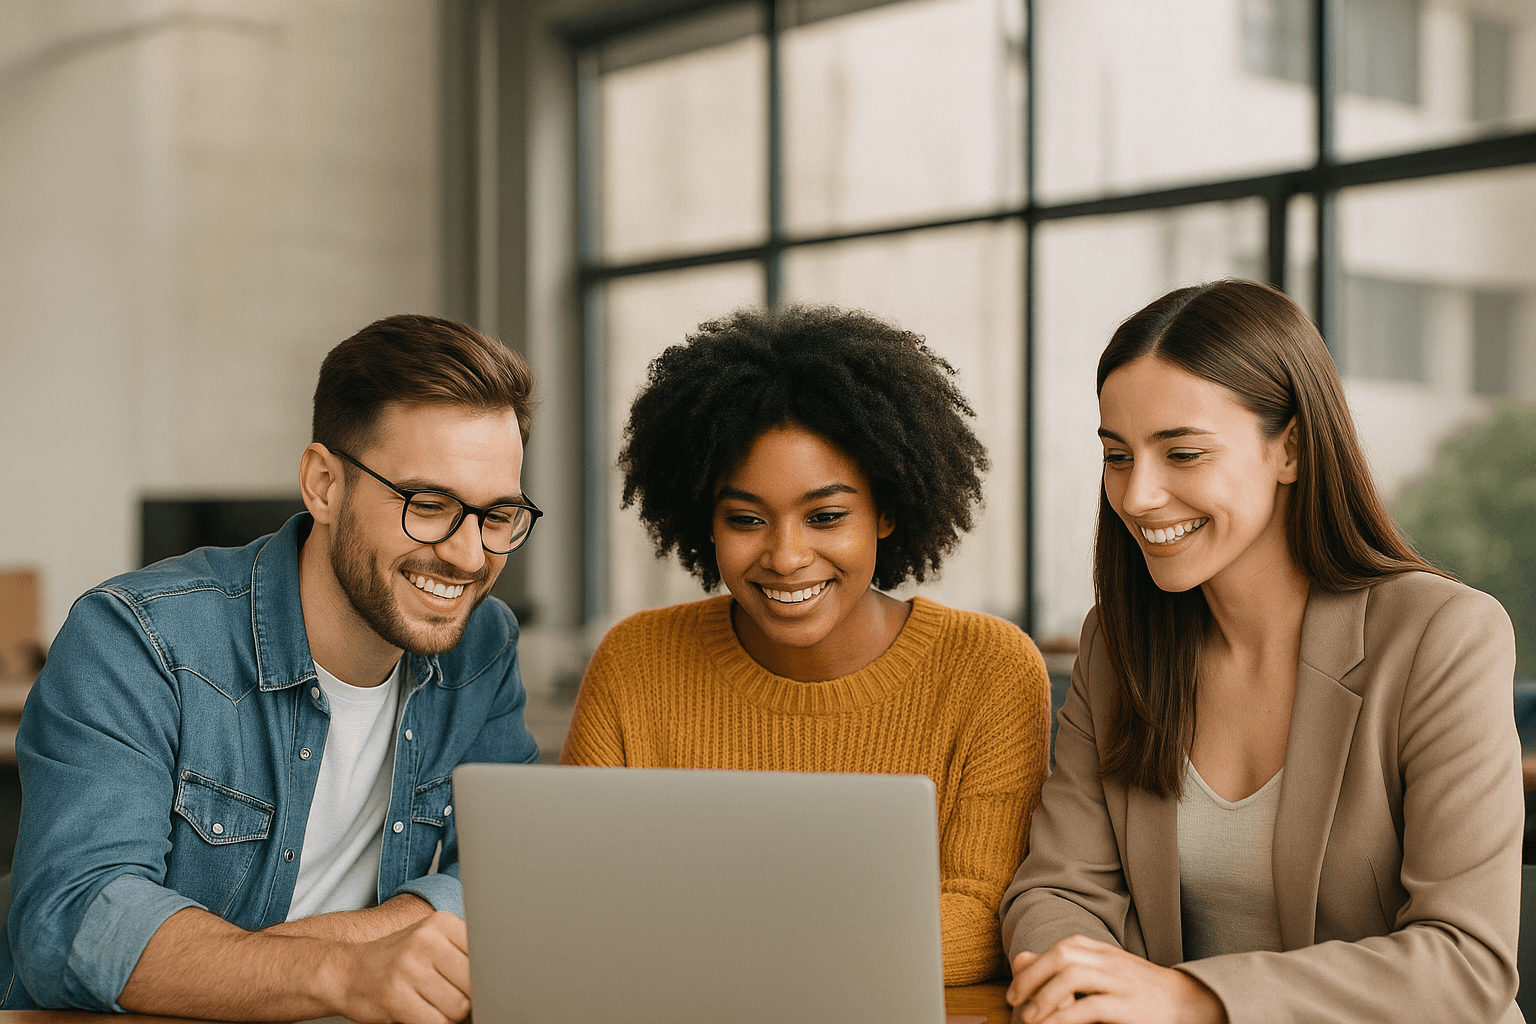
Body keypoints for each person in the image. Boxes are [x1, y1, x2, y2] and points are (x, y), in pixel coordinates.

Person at [1000, 279, 1524, 1024]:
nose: (1138, 495)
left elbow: (1466, 961)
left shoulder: (1443, 635)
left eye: (1182, 453)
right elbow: (1056, 891)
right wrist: (1083, 989)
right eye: (1118, 456)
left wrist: (1192, 998)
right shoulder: (1119, 644)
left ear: (1292, 449)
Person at [2, 314, 543, 1023]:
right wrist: (344, 971)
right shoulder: (137, 640)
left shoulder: (481, 648)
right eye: (429, 505)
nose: (470, 557)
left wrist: (257, 959)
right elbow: (74, 922)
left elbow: (511, 880)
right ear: (322, 484)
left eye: (497, 515)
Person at [560, 303, 1052, 986]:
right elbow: (579, 902)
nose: (786, 557)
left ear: (886, 510)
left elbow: (981, 914)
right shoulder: (635, 662)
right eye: (746, 519)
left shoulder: (989, 668)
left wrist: (735, 949)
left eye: (825, 516)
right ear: (704, 520)